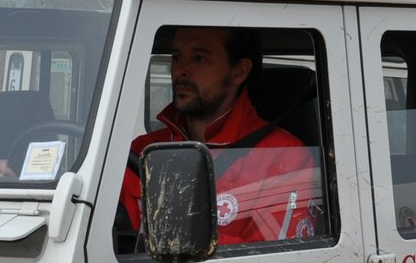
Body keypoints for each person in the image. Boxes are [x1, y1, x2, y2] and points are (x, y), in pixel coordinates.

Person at [120, 26, 317, 246]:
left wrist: (180, 236)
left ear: (239, 71)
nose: (180, 70)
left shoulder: (285, 156)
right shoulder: (142, 151)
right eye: (177, 57)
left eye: (199, 58)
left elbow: (271, 262)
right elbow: (118, 236)